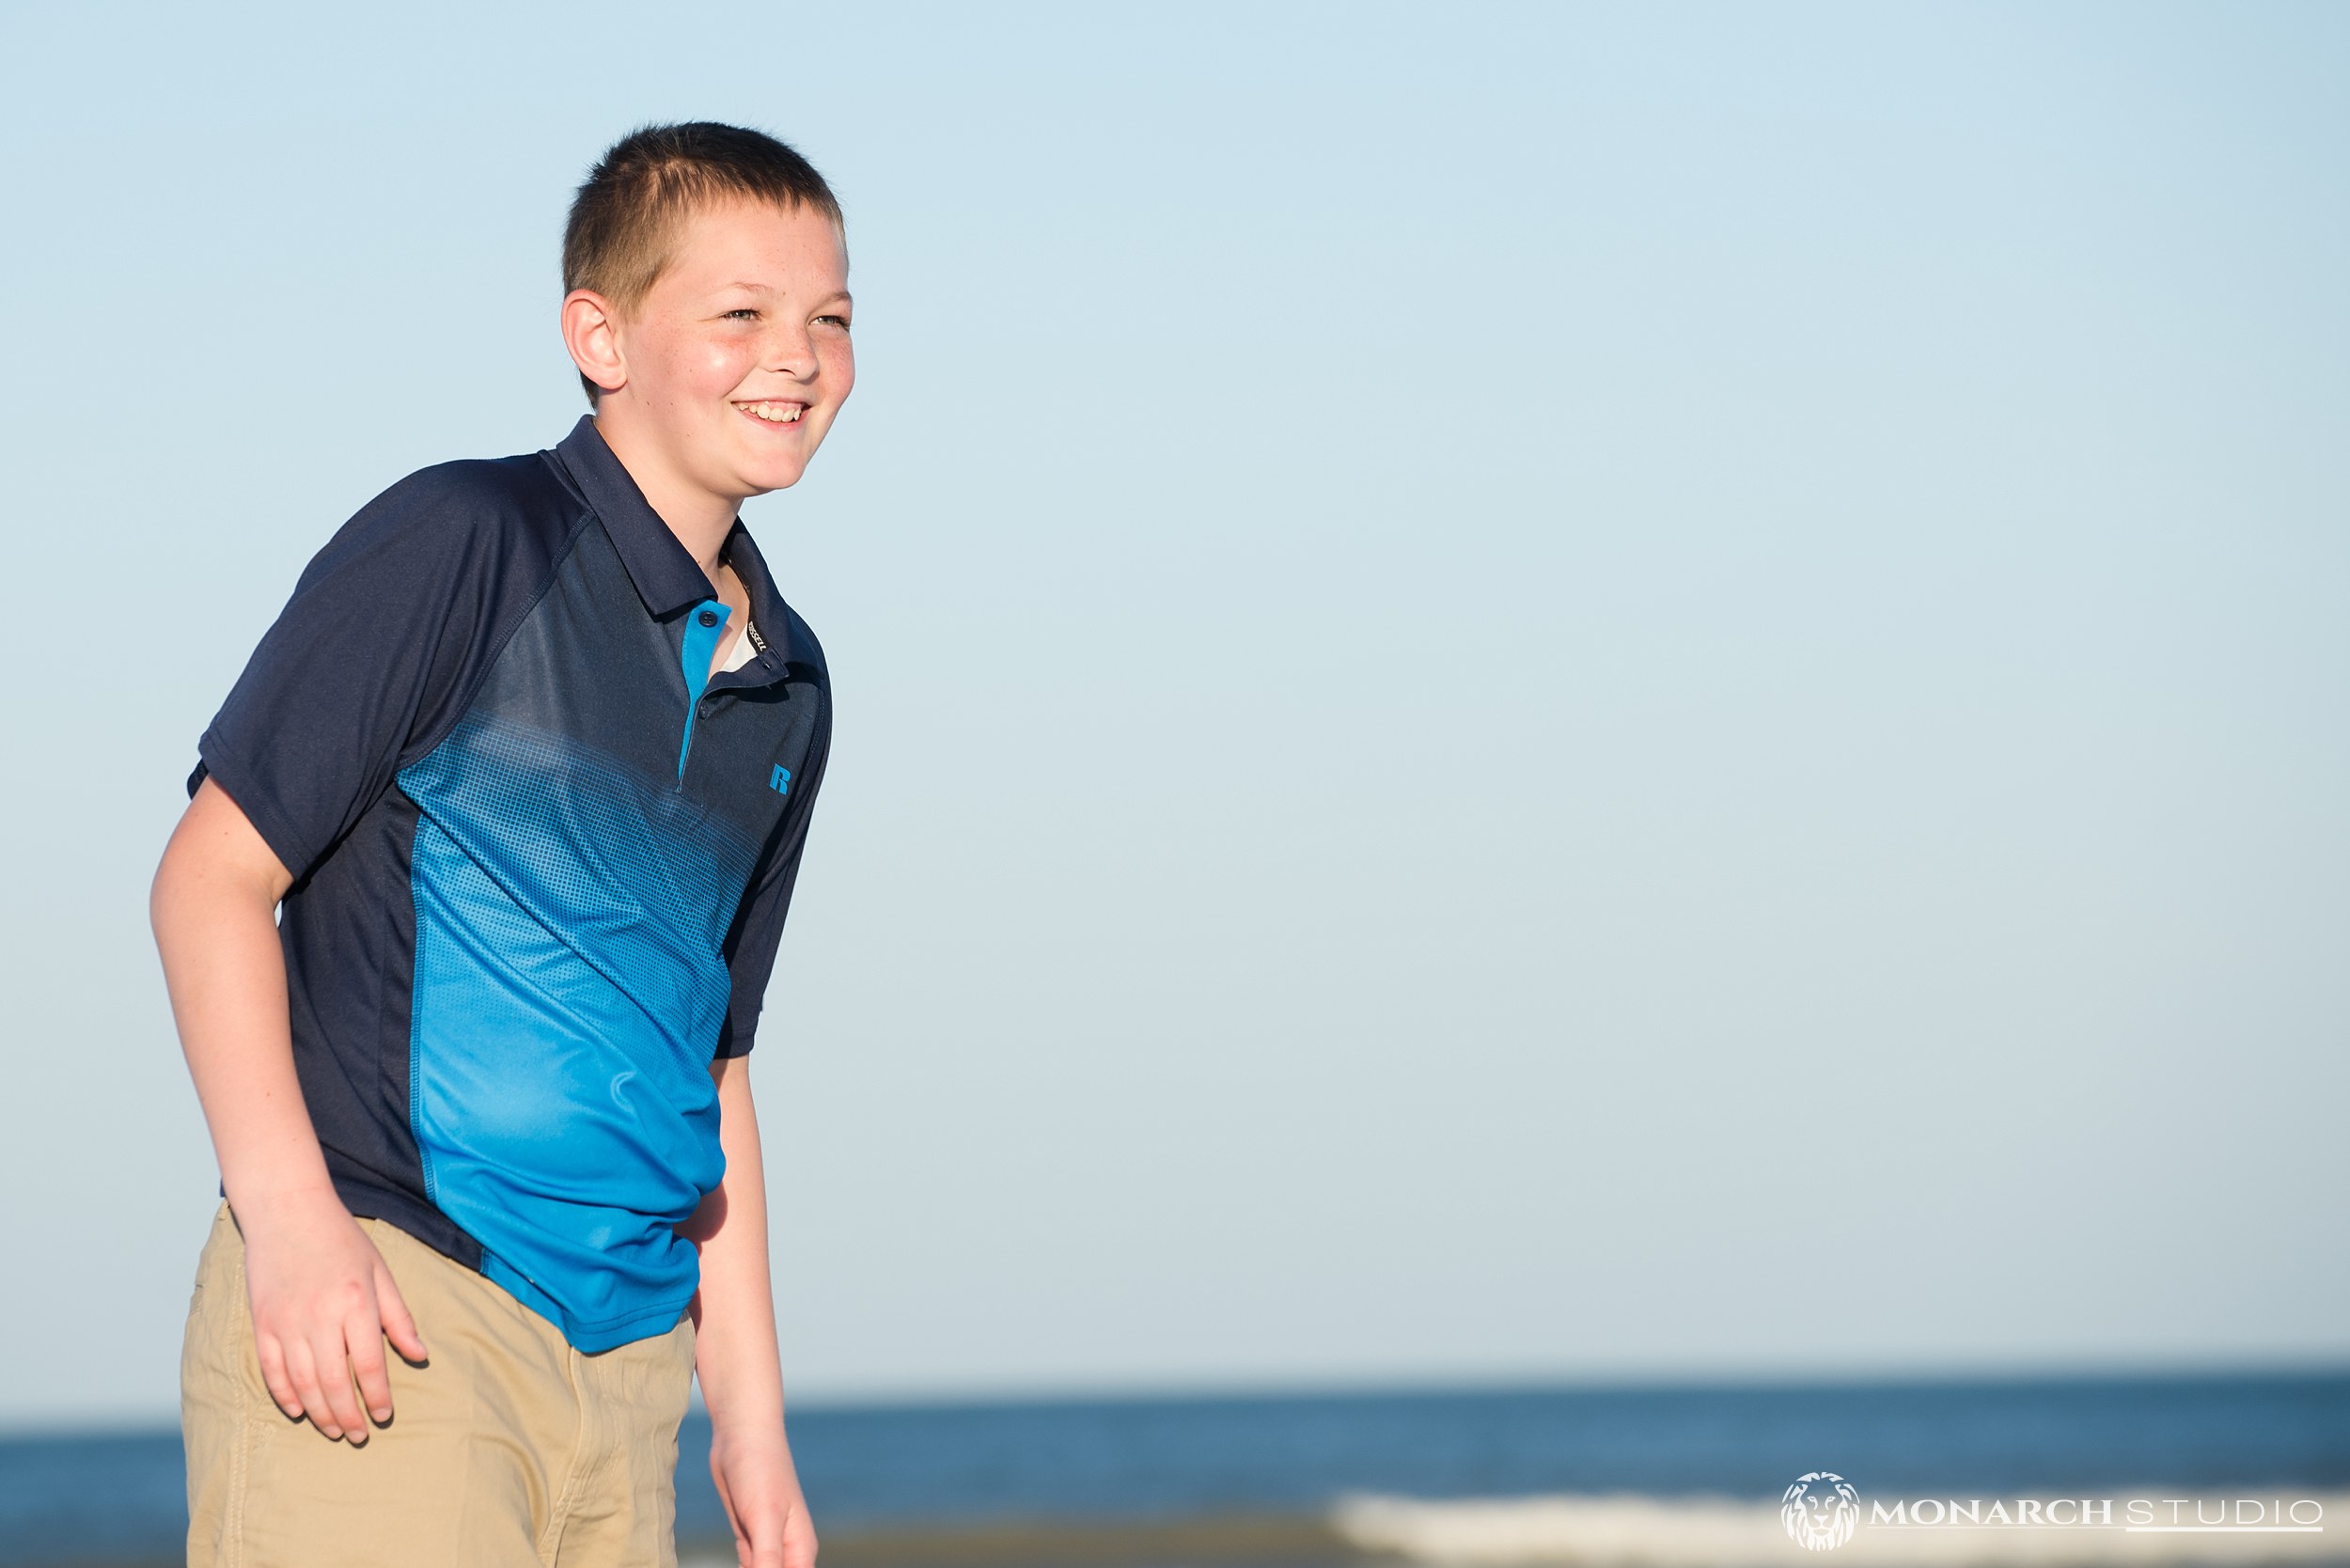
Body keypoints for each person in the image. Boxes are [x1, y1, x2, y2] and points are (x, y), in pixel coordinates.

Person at [149, 121, 854, 1568]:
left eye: (830, 320)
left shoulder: (792, 683)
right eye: (740, 315)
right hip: (394, 1312)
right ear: (599, 333)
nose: (796, 357)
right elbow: (207, 880)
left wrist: (753, 1423)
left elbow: (714, 1071)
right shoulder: (469, 541)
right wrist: (290, 1227)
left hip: (630, 1373)